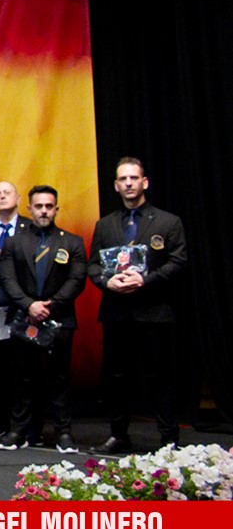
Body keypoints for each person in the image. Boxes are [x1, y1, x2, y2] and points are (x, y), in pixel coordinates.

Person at [86, 157, 188, 452]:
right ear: (116, 186)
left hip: (154, 311)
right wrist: (107, 282)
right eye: (123, 179)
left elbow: (178, 262)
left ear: (145, 182)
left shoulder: (168, 222)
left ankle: (169, 439)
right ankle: (118, 435)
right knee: (117, 377)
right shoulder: (105, 225)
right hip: (116, 312)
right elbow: (93, 266)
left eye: (133, 178)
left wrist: (147, 279)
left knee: (161, 377)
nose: (128, 183)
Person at [0, 186, 87, 453]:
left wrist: (51, 305)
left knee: (59, 378)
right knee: (22, 377)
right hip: (24, 319)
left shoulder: (72, 242)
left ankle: (63, 433)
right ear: (29, 209)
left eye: (49, 206)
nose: (44, 211)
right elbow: (8, 278)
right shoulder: (14, 242)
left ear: (56, 209)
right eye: (39, 206)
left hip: (60, 319)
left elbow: (77, 279)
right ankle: (18, 431)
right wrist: (29, 305)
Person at [0, 180, 35, 443]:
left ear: (18, 198)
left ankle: (27, 426)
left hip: (25, 309)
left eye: (7, 193)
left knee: (25, 369)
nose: (2, 197)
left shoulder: (31, 229)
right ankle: (0, 423)